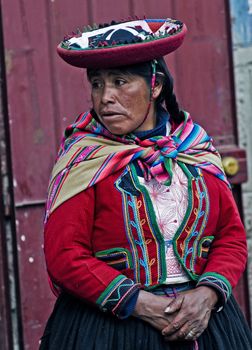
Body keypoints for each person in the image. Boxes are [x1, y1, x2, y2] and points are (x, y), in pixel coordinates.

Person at [40, 17, 252, 350]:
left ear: (155, 85)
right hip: (110, 331)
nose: (105, 97)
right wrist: (142, 304)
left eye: (120, 81)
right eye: (97, 84)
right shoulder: (84, 160)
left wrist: (208, 294)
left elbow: (231, 236)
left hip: (206, 325)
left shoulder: (194, 150)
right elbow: (65, 255)